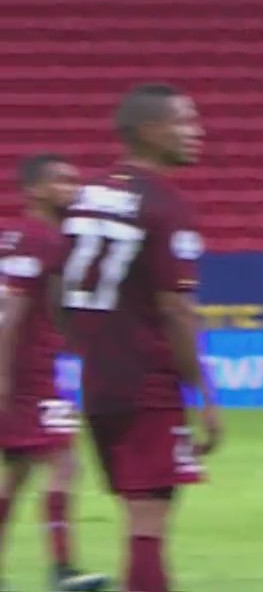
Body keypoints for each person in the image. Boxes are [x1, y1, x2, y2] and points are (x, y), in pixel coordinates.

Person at [61, 84, 221, 592]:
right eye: (184, 122)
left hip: (99, 382)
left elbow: (58, 284)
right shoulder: (165, 205)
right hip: (147, 383)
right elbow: (175, 308)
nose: (196, 133)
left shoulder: (87, 196)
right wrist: (205, 394)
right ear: (150, 132)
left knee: (137, 515)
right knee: (149, 524)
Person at [0, 156, 108, 592]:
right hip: (26, 374)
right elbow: (12, 311)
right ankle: (63, 570)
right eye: (61, 181)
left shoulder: (18, 237)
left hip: (27, 369)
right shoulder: (40, 239)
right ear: (35, 190)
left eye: (74, 180)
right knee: (64, 461)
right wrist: (4, 377)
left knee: (18, 471)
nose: (72, 188)